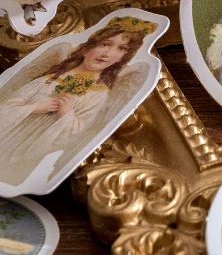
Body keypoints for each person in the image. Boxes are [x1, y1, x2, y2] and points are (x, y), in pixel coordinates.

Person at [0, 17, 155, 188]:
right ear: (87, 48)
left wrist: (66, 113)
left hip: (30, 154)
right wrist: (36, 107)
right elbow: (6, 106)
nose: (107, 54)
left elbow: (78, 136)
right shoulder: (52, 78)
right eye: (104, 44)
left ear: (122, 58)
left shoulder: (99, 94)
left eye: (121, 49)